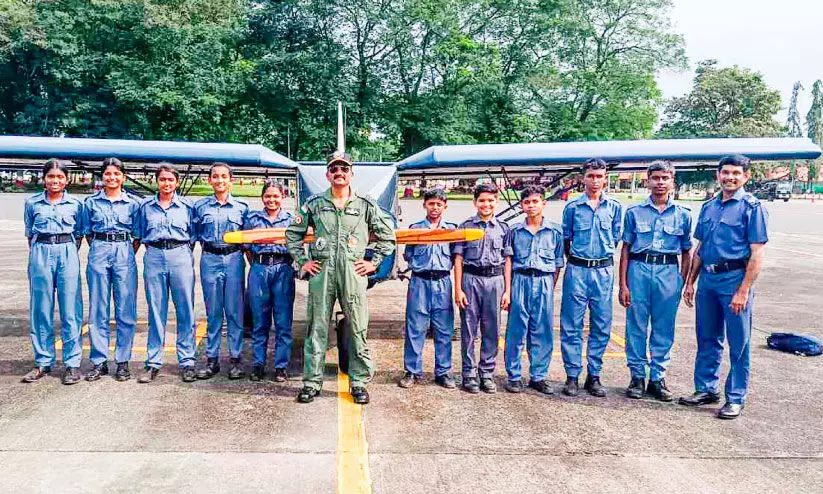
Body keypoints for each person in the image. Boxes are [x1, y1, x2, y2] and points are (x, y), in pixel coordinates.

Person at [285, 151, 396, 405]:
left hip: (352, 272)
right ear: (328, 174)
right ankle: (312, 383)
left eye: (344, 169)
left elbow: (388, 236)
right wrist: (303, 262)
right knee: (317, 328)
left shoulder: (365, 205)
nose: (339, 173)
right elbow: (293, 233)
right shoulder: (313, 204)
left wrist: (373, 263)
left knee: (357, 328)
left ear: (351, 174)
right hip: (322, 272)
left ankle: (358, 382)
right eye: (334, 169)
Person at [679, 155, 768, 420]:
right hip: (708, 279)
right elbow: (701, 248)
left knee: (738, 342)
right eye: (725, 172)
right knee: (707, 337)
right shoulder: (709, 207)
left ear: (745, 177)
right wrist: (690, 282)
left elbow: (757, 253)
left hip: (734, 280)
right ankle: (706, 388)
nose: (730, 177)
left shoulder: (752, 208)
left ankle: (735, 397)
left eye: (736, 173)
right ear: (718, 175)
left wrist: (743, 290)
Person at [618, 161, 692, 401]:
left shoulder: (683, 215)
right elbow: (626, 249)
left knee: (663, 327)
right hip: (639, 269)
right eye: (656, 178)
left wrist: (682, 281)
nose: (660, 182)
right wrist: (624, 284)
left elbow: (686, 251)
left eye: (665, 178)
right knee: (636, 326)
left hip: (668, 272)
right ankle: (637, 376)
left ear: (672, 181)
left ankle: (657, 378)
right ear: (647, 180)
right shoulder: (634, 212)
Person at [559, 158, 623, 397]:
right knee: (571, 324)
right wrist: (579, 259)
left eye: (599, 176)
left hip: (603, 272)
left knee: (601, 324)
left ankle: (594, 375)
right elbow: (567, 239)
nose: (595, 180)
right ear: (583, 178)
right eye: (591, 176)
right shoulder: (573, 207)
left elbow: (615, 237)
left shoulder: (614, 207)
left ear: (605, 178)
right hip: (577, 270)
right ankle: (572, 376)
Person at [21, 159, 85, 385]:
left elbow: (80, 233)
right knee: (41, 308)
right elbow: (30, 233)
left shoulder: (76, 205)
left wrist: (65, 249)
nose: (55, 181)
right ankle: (43, 362)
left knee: (71, 309)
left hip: (67, 250)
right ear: (44, 179)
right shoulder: (32, 203)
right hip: (41, 252)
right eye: (51, 177)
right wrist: (43, 251)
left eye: (59, 177)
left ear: (66, 180)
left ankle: (72, 364)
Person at [134, 164, 198, 383]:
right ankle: (153, 362)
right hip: (154, 255)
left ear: (176, 182)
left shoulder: (187, 207)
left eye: (171, 180)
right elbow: (141, 233)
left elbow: (193, 235)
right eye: (162, 179)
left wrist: (179, 252)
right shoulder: (146, 207)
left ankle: (187, 361)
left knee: (185, 310)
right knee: (156, 310)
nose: (167, 183)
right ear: (157, 181)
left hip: (180, 254)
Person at [82, 158, 141, 382]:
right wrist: (102, 246)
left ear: (123, 177)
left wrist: (123, 250)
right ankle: (99, 361)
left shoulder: (133, 204)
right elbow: (87, 232)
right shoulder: (91, 203)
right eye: (108, 174)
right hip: (99, 248)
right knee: (98, 308)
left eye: (116, 174)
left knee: (125, 308)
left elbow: (138, 235)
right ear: (102, 177)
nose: (112, 178)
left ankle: (123, 361)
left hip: (124, 250)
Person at [503, 185, 564, 395]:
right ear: (521, 205)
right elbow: (508, 261)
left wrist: (549, 287)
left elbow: (557, 264)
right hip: (520, 280)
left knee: (542, 331)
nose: (531, 206)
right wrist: (508, 290)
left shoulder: (555, 231)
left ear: (543, 203)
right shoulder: (514, 231)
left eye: (535, 201)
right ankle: (514, 375)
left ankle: (538, 376)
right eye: (527, 202)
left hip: (544, 281)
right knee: (516, 331)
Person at [453, 183, 511, 394]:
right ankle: (469, 374)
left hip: (495, 281)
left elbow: (507, 261)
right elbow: (458, 259)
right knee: (469, 329)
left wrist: (507, 291)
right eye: (482, 200)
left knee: (492, 329)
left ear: (497, 202)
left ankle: (486, 373)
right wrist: (458, 289)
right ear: (475, 202)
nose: (486, 204)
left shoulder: (504, 228)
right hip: (471, 279)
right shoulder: (466, 226)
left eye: (490, 200)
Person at [193, 163, 249, 380]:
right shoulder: (200, 207)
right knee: (213, 311)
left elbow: (247, 237)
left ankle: (235, 360)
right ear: (209, 180)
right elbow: (194, 235)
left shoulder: (241, 207)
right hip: (210, 258)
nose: (219, 180)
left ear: (231, 180)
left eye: (224, 177)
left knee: (235, 312)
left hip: (234, 258)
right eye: (215, 177)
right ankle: (212, 359)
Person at [398, 188, 457, 390]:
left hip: (443, 282)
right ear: (424, 205)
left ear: (445, 206)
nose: (435, 207)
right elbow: (408, 254)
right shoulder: (415, 229)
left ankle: (443, 372)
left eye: (439, 204)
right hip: (420, 282)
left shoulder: (452, 230)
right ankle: (412, 371)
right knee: (416, 327)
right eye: (431, 203)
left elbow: (456, 257)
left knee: (444, 329)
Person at [245, 180, 295, 383]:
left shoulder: (291, 220)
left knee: (283, 322)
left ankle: (281, 366)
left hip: (283, 269)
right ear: (262, 198)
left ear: (282, 197)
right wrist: (258, 265)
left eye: (276, 196)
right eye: (268, 196)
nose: (271, 200)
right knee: (260, 321)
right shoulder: (253, 219)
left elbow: (297, 246)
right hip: (259, 269)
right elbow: (247, 247)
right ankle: (258, 364)